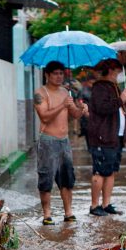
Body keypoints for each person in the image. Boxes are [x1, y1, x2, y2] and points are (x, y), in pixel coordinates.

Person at [33, 60, 86, 224]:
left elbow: (74, 114)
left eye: (61, 73)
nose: (59, 76)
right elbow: (44, 117)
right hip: (48, 141)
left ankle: (68, 212)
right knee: (46, 178)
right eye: (55, 73)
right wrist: (62, 105)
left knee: (67, 177)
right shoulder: (40, 93)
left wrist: (81, 109)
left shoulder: (65, 92)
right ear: (47, 75)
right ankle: (47, 215)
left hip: (64, 141)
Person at [86, 58, 126, 216]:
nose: (120, 74)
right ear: (111, 70)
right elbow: (102, 108)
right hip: (102, 137)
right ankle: (94, 205)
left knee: (111, 171)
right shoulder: (100, 88)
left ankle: (106, 204)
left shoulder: (114, 87)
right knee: (100, 171)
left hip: (115, 137)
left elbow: (119, 112)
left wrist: (125, 134)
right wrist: (121, 100)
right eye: (118, 71)